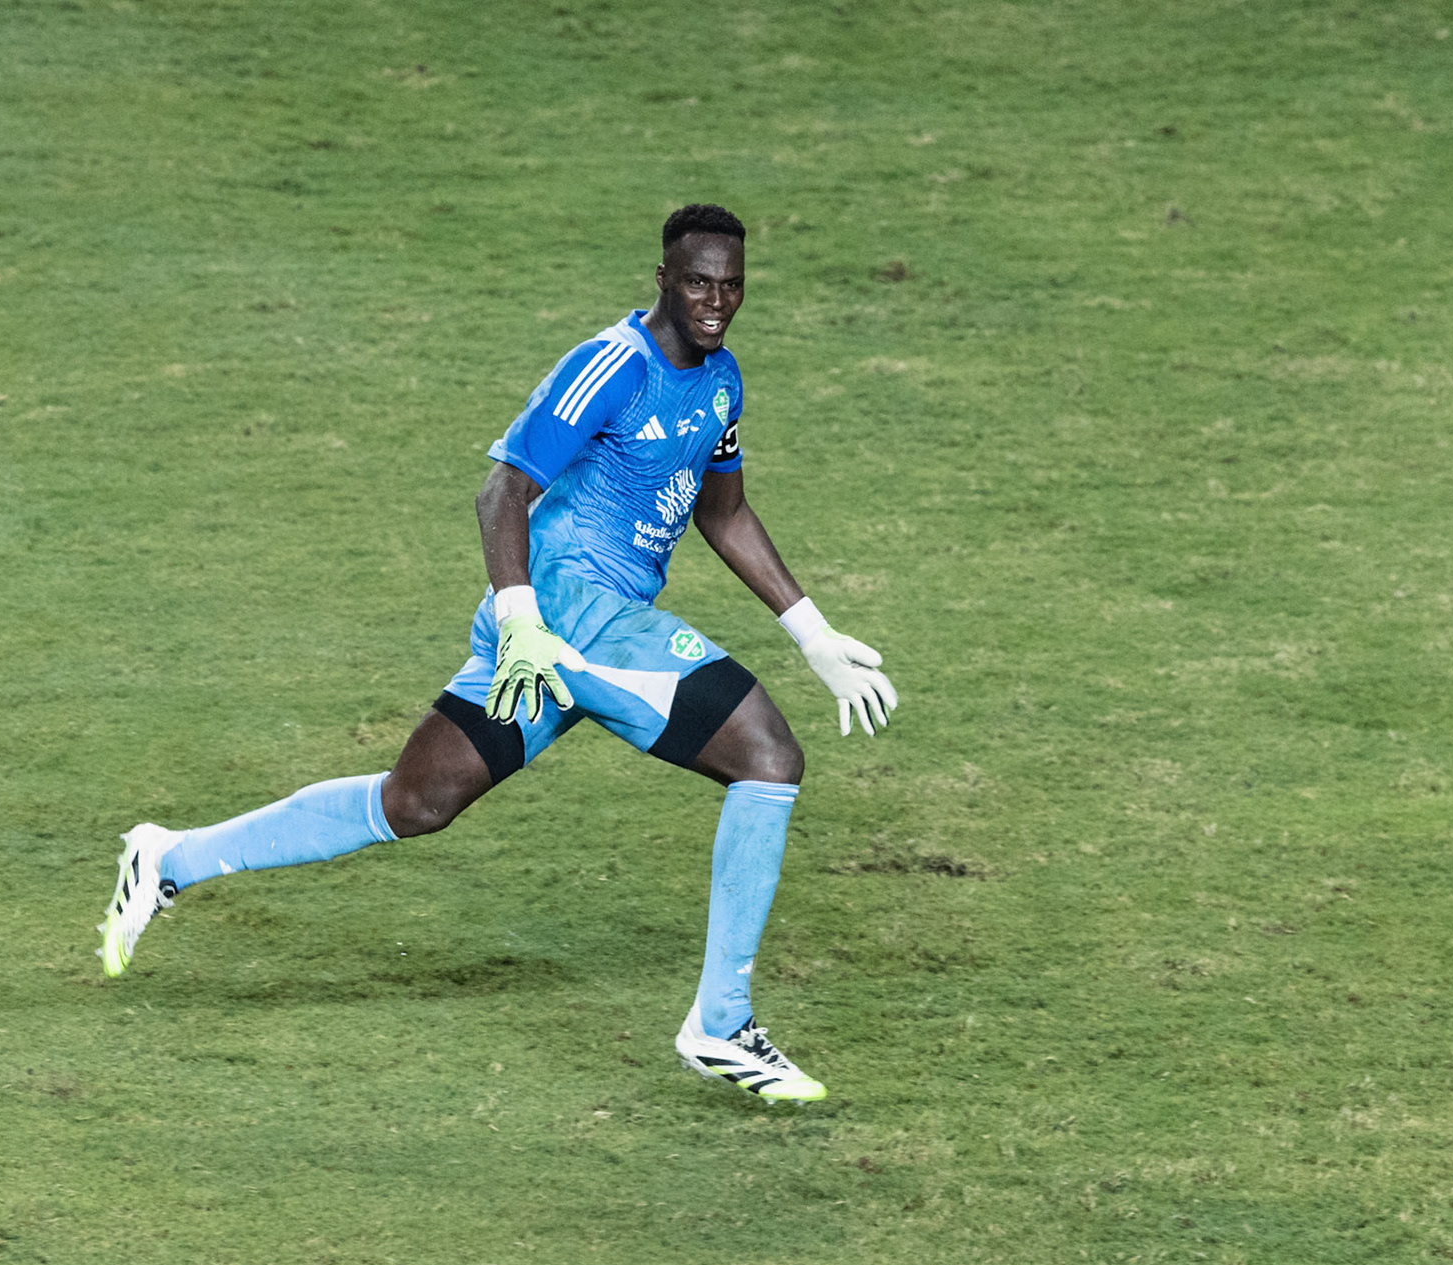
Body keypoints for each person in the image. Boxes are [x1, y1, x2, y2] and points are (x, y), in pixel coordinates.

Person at [99, 204, 897, 1103]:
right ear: (663, 279)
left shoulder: (720, 383)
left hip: (570, 629)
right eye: (700, 282)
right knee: (769, 756)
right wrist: (520, 615)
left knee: (416, 799)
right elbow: (501, 490)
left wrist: (813, 631)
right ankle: (720, 1023)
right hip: (566, 617)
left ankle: (169, 857)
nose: (717, 301)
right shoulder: (613, 366)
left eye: (733, 285)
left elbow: (722, 512)